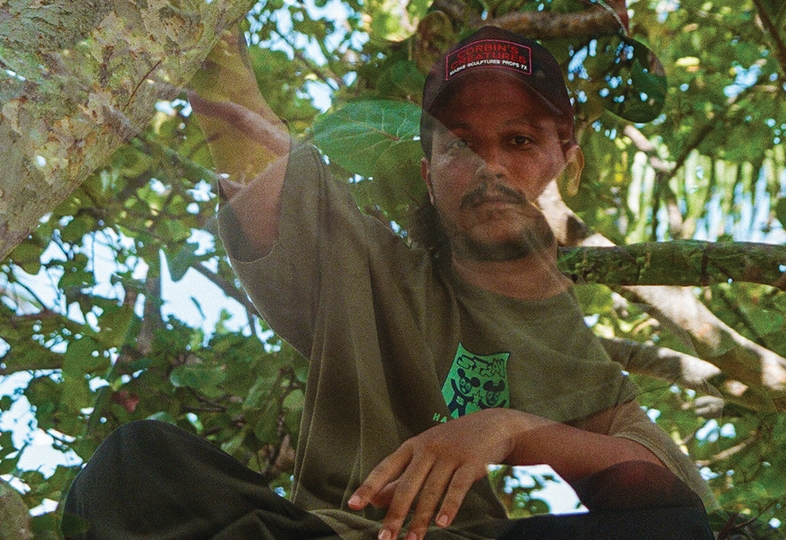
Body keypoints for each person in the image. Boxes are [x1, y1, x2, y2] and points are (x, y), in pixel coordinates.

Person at [63, 24, 716, 540]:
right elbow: (240, 126)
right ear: (430, 176)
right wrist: (209, 50)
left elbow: (670, 505)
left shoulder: (590, 375)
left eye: (518, 140)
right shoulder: (374, 275)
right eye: (460, 144)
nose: (489, 166)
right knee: (130, 464)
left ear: (565, 166)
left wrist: (510, 428)